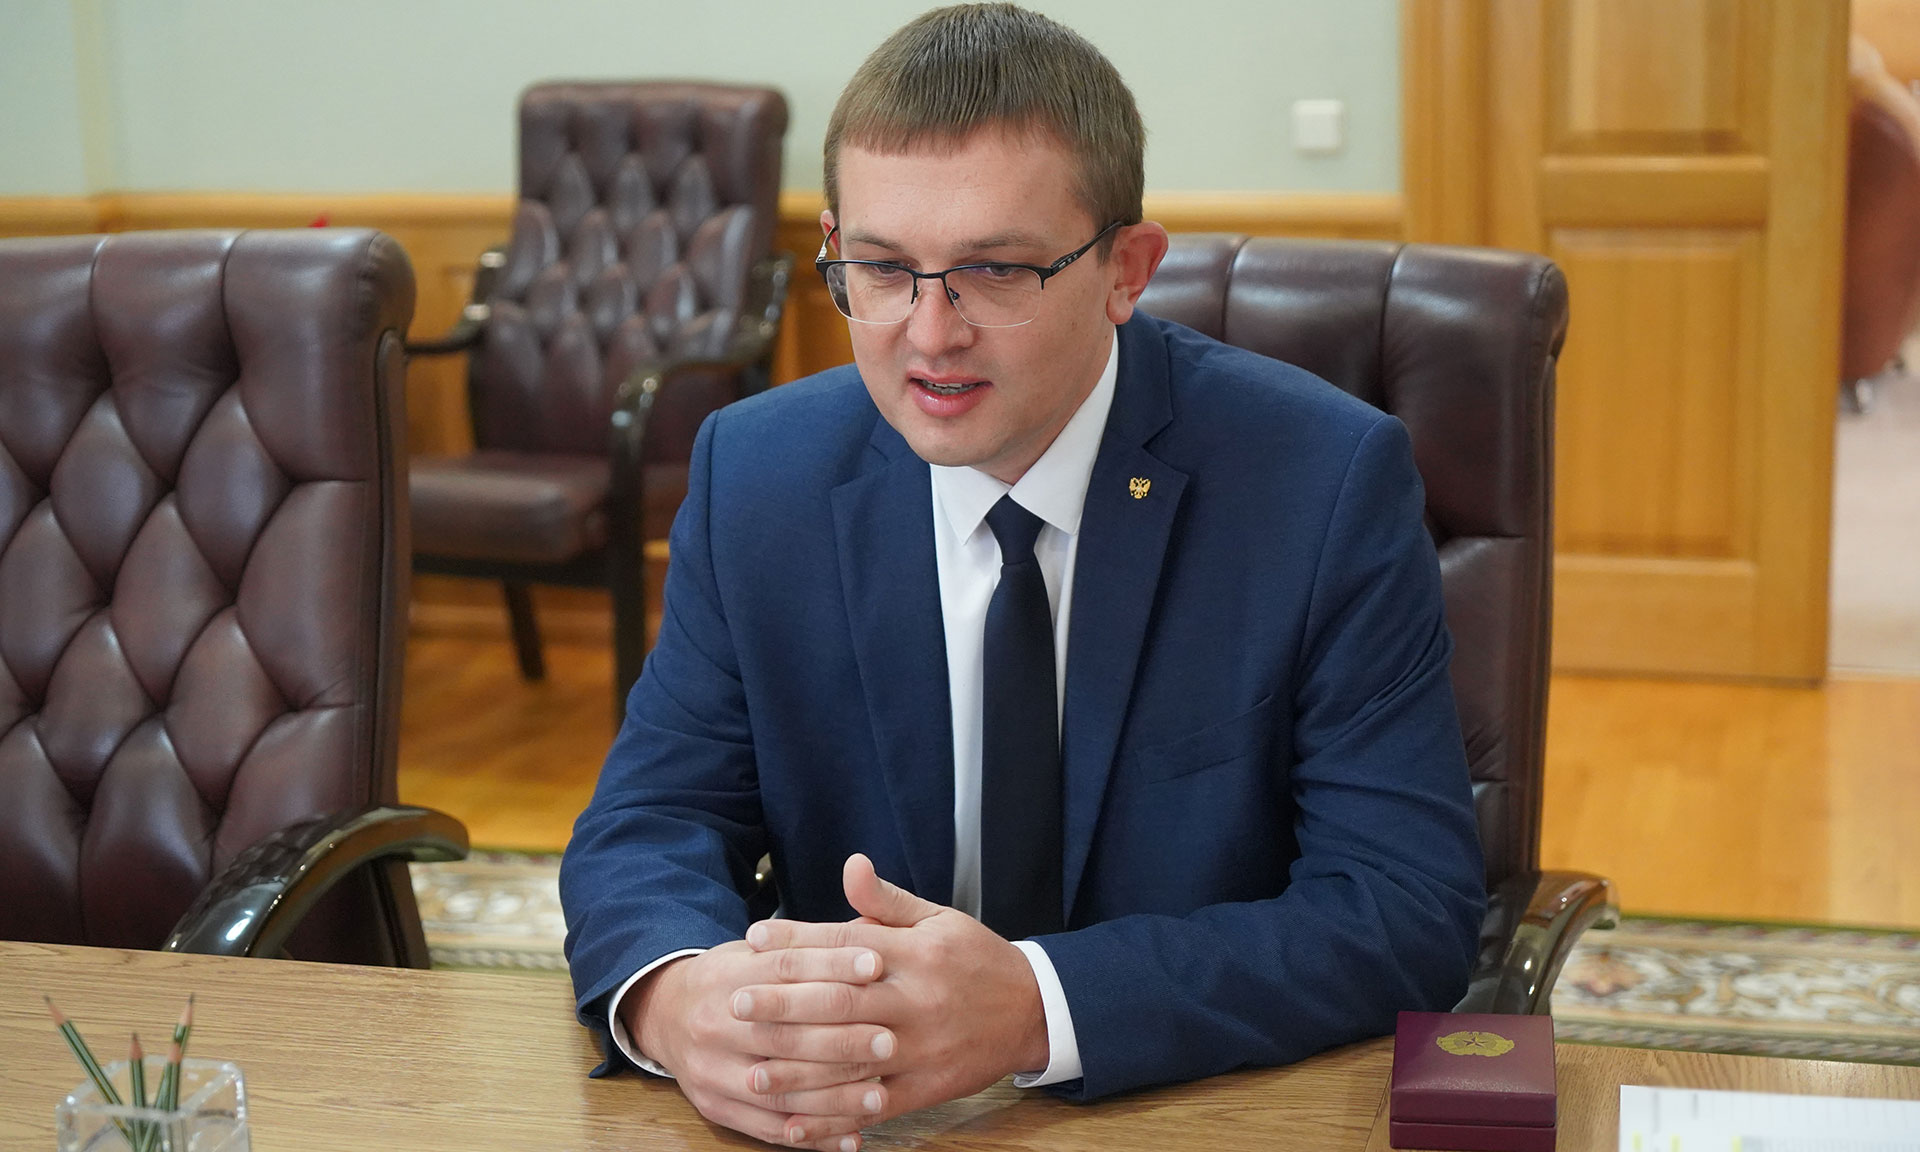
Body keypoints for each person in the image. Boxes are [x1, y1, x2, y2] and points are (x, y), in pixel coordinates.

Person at [560, 5, 1485, 1149]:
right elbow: (651, 820)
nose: (928, 334)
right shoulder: (758, 474)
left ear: (1126, 271)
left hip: (1191, 1113)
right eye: (882, 270)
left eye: (994, 270)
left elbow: (1402, 906)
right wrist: (678, 999)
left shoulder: (1320, 483)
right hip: (858, 1121)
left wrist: (1039, 1008)